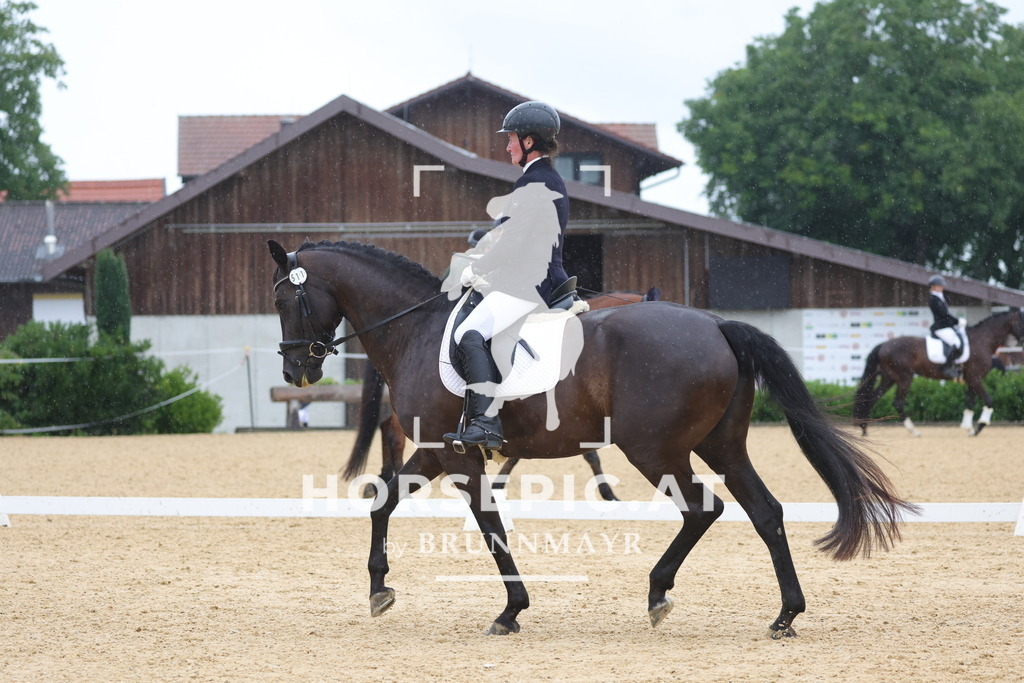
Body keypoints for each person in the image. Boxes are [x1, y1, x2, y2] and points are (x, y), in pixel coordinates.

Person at [442, 101, 572, 452]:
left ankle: (486, 422)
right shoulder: (539, 179)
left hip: (531, 283)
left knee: (470, 334)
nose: (507, 145)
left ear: (529, 142)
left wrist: (477, 268)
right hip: (528, 277)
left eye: (512, 138)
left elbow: (513, 243)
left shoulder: (535, 182)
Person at [928, 274, 962, 379]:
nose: (941, 287)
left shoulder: (939, 297)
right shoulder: (933, 299)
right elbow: (943, 315)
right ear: (933, 286)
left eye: (941, 285)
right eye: (939, 285)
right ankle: (946, 367)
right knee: (956, 343)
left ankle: (955, 365)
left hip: (945, 326)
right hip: (940, 327)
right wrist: (957, 321)